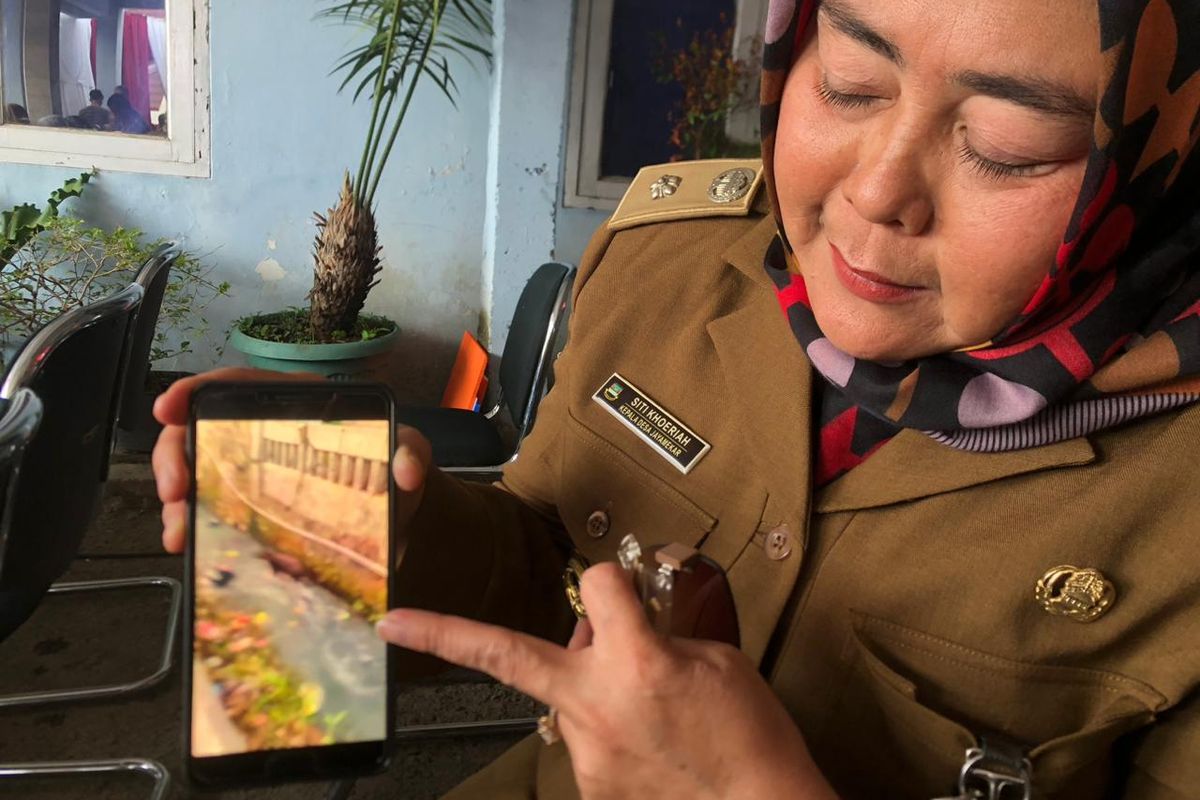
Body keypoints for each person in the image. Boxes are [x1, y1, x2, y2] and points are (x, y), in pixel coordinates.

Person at [153, 0, 1200, 797]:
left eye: (1006, 149)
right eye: (848, 84)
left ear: (1158, 145)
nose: (880, 192)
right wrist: (386, 540)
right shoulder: (672, 262)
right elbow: (553, 563)